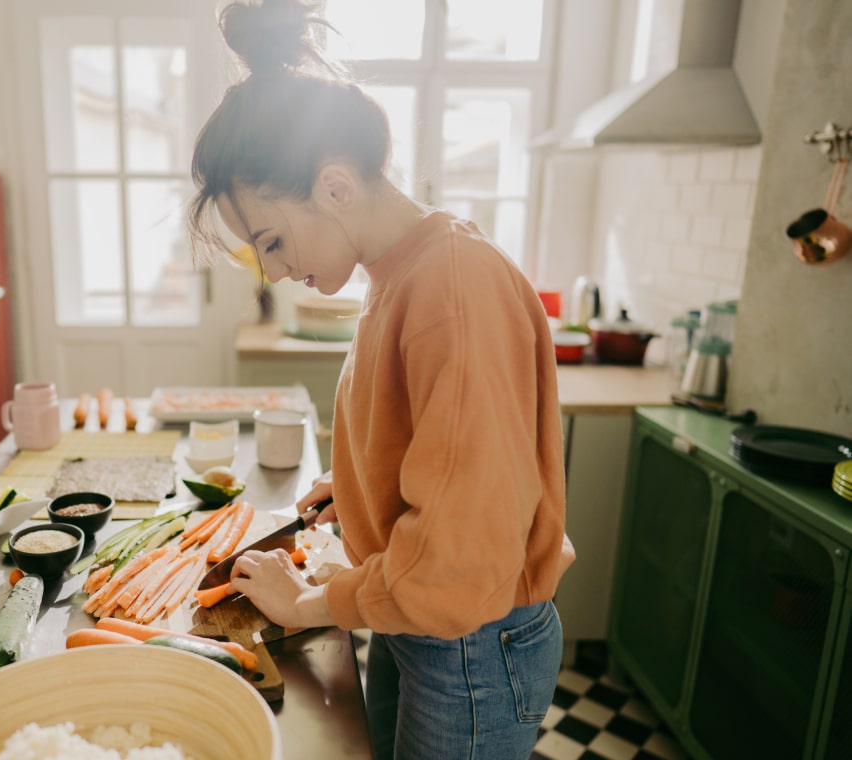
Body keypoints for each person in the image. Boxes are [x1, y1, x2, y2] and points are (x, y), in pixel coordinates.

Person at [187, 2, 576, 758]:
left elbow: (458, 559)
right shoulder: (401, 273)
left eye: (270, 240)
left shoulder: (451, 288)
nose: (271, 270)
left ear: (334, 187)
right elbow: (435, 442)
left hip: (469, 644)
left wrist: (307, 603)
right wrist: (359, 486)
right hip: (423, 625)